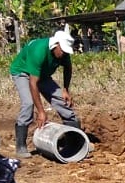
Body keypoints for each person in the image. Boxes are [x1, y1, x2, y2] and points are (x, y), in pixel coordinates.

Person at [9, 30, 81, 158]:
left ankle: (77, 142)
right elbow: (33, 83)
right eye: (62, 50)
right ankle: (21, 146)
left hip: (43, 74)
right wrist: (41, 112)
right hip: (23, 72)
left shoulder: (63, 53)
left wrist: (65, 89)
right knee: (28, 103)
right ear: (55, 44)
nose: (64, 53)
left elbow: (68, 68)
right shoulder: (39, 51)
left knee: (62, 101)